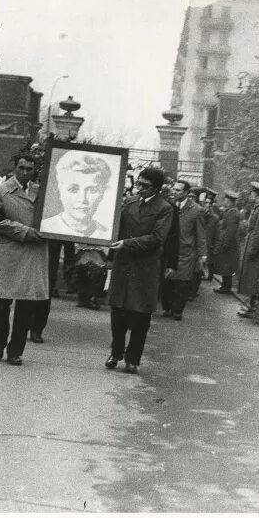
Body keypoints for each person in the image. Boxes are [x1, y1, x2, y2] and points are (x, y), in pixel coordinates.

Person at [105, 167, 174, 374]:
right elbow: (114, 228)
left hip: (145, 269)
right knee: (117, 314)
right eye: (139, 184)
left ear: (157, 188)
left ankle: (133, 358)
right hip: (123, 265)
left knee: (140, 317)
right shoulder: (129, 202)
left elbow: (157, 238)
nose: (140, 189)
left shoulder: (165, 208)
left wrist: (127, 243)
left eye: (145, 186)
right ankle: (115, 353)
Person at [0, 154, 49, 365]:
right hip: (9, 253)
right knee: (1, 303)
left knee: (26, 305)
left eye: (29, 169)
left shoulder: (42, 192)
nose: (24, 172)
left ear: (34, 171)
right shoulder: (0, 190)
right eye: (21, 168)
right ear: (14, 168)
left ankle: (16, 350)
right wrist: (25, 232)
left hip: (32, 255)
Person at [161, 179, 207, 321]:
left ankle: (177, 310)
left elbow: (201, 234)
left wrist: (202, 255)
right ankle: (167, 308)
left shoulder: (195, 210)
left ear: (186, 193)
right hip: (169, 251)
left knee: (182, 283)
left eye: (178, 190)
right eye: (174, 189)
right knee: (166, 281)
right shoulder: (168, 206)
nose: (174, 192)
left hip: (185, 252)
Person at [40, 151, 113, 240]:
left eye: (92, 190)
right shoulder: (44, 228)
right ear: (60, 192)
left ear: (102, 194)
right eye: (73, 190)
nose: (82, 199)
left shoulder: (107, 235)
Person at [237, 181, 259, 318]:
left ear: (256, 193)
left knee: (254, 277)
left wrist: (252, 249)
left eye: (252, 192)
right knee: (251, 276)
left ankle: (251, 307)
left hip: (258, 248)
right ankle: (250, 305)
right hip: (254, 245)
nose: (250, 194)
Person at [212, 190, 241, 294]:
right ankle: (225, 286)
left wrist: (226, 243)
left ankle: (226, 287)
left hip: (229, 245)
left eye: (225, 199)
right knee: (225, 265)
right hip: (228, 243)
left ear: (228, 201)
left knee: (227, 266)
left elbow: (231, 230)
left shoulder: (233, 213)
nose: (224, 201)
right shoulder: (230, 211)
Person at [202, 188, 220, 281]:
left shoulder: (215, 218)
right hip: (202, 243)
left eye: (209, 203)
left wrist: (216, 248)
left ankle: (209, 276)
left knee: (210, 261)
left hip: (210, 244)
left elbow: (217, 236)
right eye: (206, 203)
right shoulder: (200, 214)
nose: (207, 205)